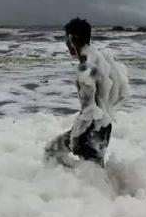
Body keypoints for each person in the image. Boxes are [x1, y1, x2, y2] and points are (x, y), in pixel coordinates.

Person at [44, 18, 130, 167]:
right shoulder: (102, 59)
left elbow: (89, 109)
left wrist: (77, 135)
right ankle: (81, 184)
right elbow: (122, 92)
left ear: (72, 38)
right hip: (103, 125)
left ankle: (67, 186)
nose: (66, 44)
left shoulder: (86, 68)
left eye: (67, 39)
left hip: (91, 128)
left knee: (52, 151)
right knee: (93, 171)